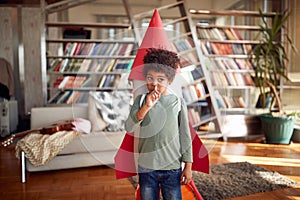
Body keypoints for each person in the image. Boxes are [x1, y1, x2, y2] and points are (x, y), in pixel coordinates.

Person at [125, 48, 193, 200]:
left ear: (170, 81)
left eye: (160, 79)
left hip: (172, 168)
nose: (154, 83)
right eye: (150, 78)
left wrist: (188, 166)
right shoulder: (141, 101)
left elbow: (185, 136)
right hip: (147, 168)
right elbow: (129, 127)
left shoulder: (178, 102)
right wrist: (147, 107)